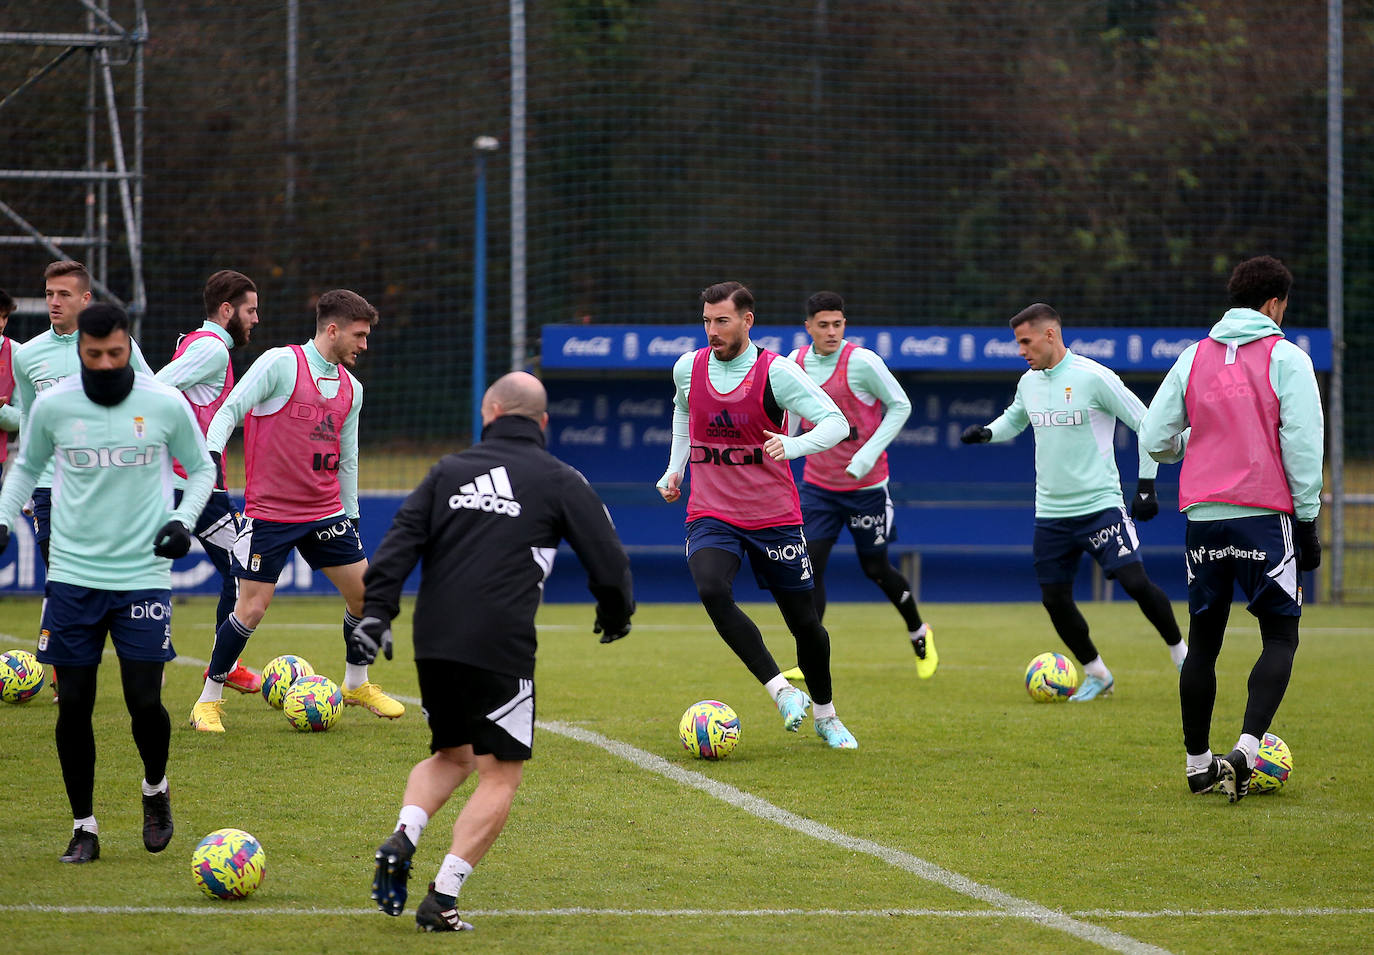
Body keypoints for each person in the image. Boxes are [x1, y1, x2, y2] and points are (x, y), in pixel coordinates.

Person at [356, 371, 633, 932]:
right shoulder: (559, 478)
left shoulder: (447, 471)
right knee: (500, 773)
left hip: (433, 642)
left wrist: (376, 614)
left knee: (451, 756)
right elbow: (606, 556)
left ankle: (405, 833)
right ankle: (442, 897)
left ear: (489, 411)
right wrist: (614, 611)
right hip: (500, 644)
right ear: (543, 423)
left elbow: (399, 543)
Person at [0, 303, 215, 863]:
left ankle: (155, 789)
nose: (104, 363)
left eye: (114, 353)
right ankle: (84, 827)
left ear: (128, 347)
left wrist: (181, 521)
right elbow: (25, 466)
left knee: (144, 701)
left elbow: (203, 468)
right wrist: (3, 517)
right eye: (93, 355)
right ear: (81, 352)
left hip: (142, 575)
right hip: (73, 576)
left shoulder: (162, 402)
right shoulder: (52, 404)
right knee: (74, 702)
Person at [1140, 255, 1323, 802]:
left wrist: (1182, 450)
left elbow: (1154, 435)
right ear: (1273, 304)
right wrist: (1308, 519)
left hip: (1203, 519)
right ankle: (1245, 752)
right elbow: (1302, 445)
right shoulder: (1287, 357)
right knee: (1281, 635)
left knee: (1204, 644)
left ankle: (1198, 765)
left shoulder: (1193, 357)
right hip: (1265, 518)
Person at [189, 289, 403, 732]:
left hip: (326, 514)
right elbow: (229, 411)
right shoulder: (280, 363)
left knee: (366, 596)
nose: (364, 344)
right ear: (332, 329)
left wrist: (353, 514)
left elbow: (348, 457)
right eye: (359, 335)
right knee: (252, 608)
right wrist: (211, 456)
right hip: (270, 513)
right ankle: (207, 700)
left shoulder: (352, 389)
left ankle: (356, 683)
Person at [657, 281, 859, 748]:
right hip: (711, 511)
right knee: (710, 588)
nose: (712, 330)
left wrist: (793, 445)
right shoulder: (688, 367)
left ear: (747, 321)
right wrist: (675, 469)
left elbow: (836, 422)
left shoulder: (778, 373)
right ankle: (781, 691)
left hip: (774, 516)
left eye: (721, 321)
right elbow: (683, 416)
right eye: (706, 320)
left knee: (804, 623)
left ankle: (827, 715)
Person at [960, 303, 1186, 700]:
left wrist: (1147, 484)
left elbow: (1148, 426)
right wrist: (987, 433)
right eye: (1017, 343)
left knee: (1135, 583)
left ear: (1050, 335)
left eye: (1025, 341)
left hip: (1100, 506)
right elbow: (1015, 418)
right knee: (1055, 600)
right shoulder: (1029, 382)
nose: (1021, 351)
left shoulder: (1094, 378)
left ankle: (1183, 656)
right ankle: (1097, 673)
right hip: (1050, 513)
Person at [784, 291, 935, 677]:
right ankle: (810, 656)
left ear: (844, 324)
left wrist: (867, 454)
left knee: (876, 569)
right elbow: (787, 415)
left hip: (867, 490)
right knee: (809, 566)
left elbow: (901, 405)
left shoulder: (862, 363)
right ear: (808, 328)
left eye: (838, 324)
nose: (832, 331)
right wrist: (787, 447)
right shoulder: (794, 364)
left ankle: (919, 631)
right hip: (818, 488)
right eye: (823, 325)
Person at [155, 270, 261, 694]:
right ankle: (224, 663)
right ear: (227, 309)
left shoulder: (196, 343)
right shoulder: (214, 350)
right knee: (241, 572)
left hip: (187, 483)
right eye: (251, 310)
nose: (256, 319)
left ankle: (159, 657)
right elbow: (157, 385)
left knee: (155, 571)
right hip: (196, 487)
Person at [11, 261, 151, 568]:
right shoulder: (27, 355)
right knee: (61, 577)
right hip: (49, 483)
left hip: (105, 478)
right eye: (49, 294)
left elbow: (150, 400)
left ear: (85, 299)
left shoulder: (115, 346)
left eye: (64, 294)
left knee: (104, 578)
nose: (54, 302)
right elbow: (29, 417)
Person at [0, 288, 18, 487]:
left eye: (5, 317)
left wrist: (1, 412)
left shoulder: (17, 353)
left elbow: (25, 415)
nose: (1, 324)